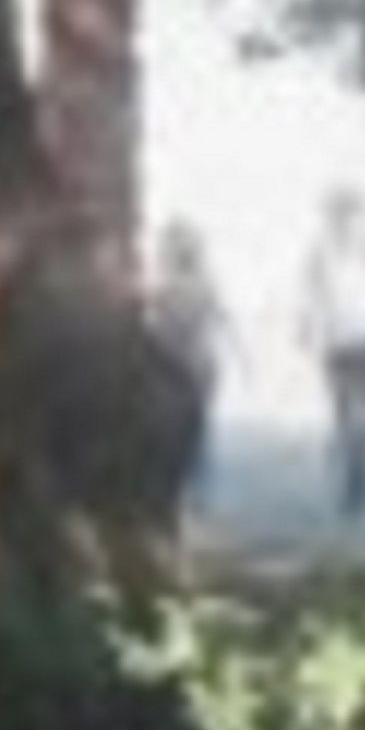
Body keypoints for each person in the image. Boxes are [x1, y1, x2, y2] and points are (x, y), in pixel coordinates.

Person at [296, 185, 365, 521]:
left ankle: (362, 480)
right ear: (330, 216)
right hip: (340, 342)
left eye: (353, 212)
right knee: (348, 416)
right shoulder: (319, 253)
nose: (348, 219)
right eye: (341, 212)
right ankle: (357, 486)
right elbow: (309, 296)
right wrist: (307, 329)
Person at [146, 219, 237, 513]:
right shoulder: (200, 283)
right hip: (193, 367)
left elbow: (220, 320)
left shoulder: (168, 285)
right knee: (194, 433)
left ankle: (185, 490)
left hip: (181, 368)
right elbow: (223, 320)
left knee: (181, 433)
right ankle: (195, 491)